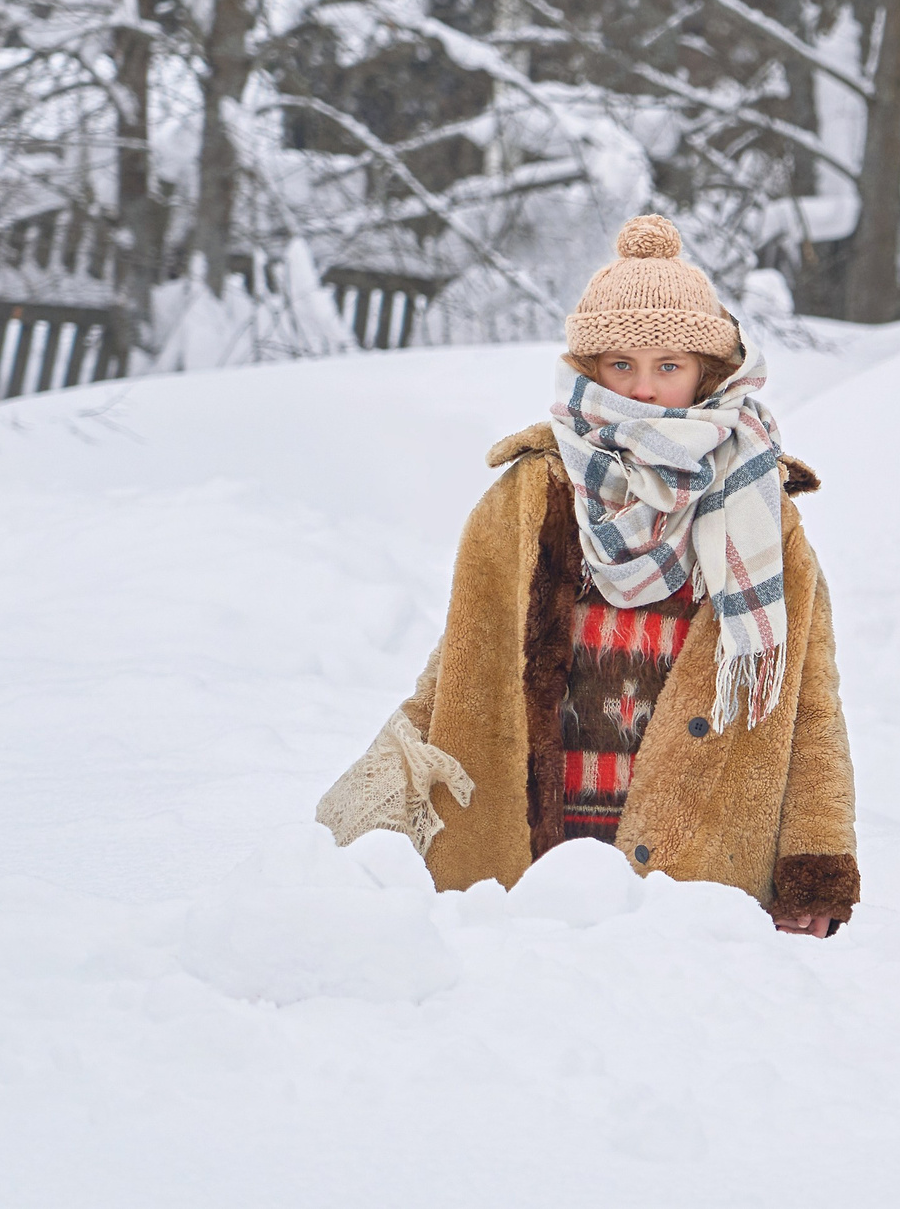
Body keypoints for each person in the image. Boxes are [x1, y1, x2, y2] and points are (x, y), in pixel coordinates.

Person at [316, 214, 858, 936]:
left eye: (669, 367)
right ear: (590, 367)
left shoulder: (760, 508)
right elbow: (465, 666)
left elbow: (811, 706)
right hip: (530, 864)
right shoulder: (529, 496)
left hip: (697, 872)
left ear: (707, 372)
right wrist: (392, 789)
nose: (643, 387)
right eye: (620, 365)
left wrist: (814, 872)